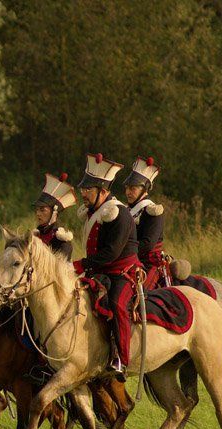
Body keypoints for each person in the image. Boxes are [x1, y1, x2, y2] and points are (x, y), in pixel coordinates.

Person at [73, 153, 142, 380]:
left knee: (117, 303)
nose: (83, 193)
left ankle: (121, 358)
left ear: (102, 191)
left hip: (123, 273)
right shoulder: (96, 213)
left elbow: (111, 253)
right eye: (83, 189)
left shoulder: (119, 213)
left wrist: (80, 264)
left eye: (88, 189)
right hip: (100, 272)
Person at [124, 156, 167, 289]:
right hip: (129, 261)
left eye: (133, 189)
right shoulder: (125, 210)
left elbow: (147, 244)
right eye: (127, 188)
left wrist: (123, 251)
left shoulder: (152, 211)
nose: (128, 192)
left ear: (144, 189)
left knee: (139, 292)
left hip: (149, 264)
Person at [32, 171, 77, 260]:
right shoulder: (35, 236)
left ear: (54, 213)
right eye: (37, 209)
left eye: (42, 210)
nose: (38, 213)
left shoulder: (62, 241)